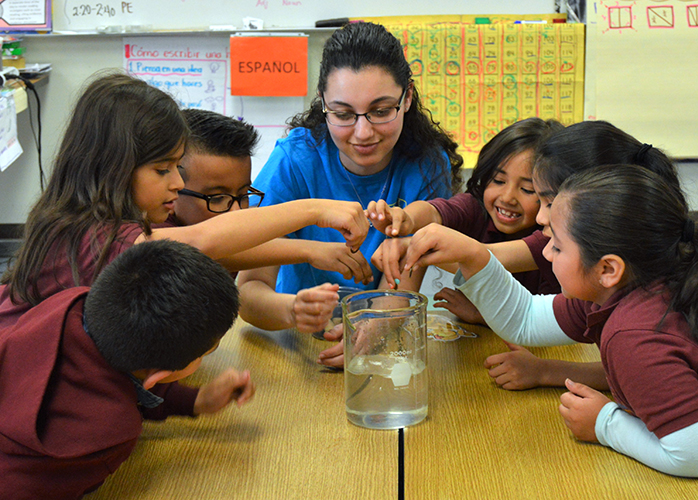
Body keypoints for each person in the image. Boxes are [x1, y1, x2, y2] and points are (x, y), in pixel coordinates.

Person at [401, 165, 698, 477]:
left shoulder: (635, 334)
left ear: (608, 269)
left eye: (556, 245)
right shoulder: (630, 287)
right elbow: (524, 318)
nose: (547, 253)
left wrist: (604, 424)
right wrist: (475, 256)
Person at [0, 72, 369, 332]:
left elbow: (211, 251)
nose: (177, 184)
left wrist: (307, 250)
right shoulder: (93, 236)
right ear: (113, 166)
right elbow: (201, 242)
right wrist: (315, 210)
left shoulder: (98, 223)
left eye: (177, 168)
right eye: (163, 170)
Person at [371, 120, 682, 391]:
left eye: (543, 198)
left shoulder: (641, 322)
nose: (543, 222)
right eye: (499, 180)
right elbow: (525, 317)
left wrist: (604, 424)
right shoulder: (595, 298)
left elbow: (694, 450)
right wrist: (410, 227)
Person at [237, 21, 463, 343]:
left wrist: (371, 333)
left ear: (408, 97)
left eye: (381, 111)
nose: (363, 133)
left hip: (380, 337)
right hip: (296, 343)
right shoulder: (295, 160)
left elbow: (400, 286)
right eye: (343, 114)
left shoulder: (427, 166)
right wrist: (294, 310)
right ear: (323, 102)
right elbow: (248, 291)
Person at [0, 239, 256, 499]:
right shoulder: (111, 431)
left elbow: (113, 380)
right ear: (159, 375)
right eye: (205, 353)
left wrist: (195, 400)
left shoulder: (70, 303)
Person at [368, 117, 564, 325]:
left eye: (527, 189)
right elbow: (435, 211)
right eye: (498, 180)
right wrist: (407, 218)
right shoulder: (476, 207)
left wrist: (483, 315)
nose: (507, 197)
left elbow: (485, 259)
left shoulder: (555, 238)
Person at [168, 108, 373, 283]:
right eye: (217, 199)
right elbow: (204, 247)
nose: (237, 212)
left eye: (243, 195)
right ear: (172, 190)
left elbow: (230, 253)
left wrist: (312, 251)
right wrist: (314, 215)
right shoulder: (149, 239)